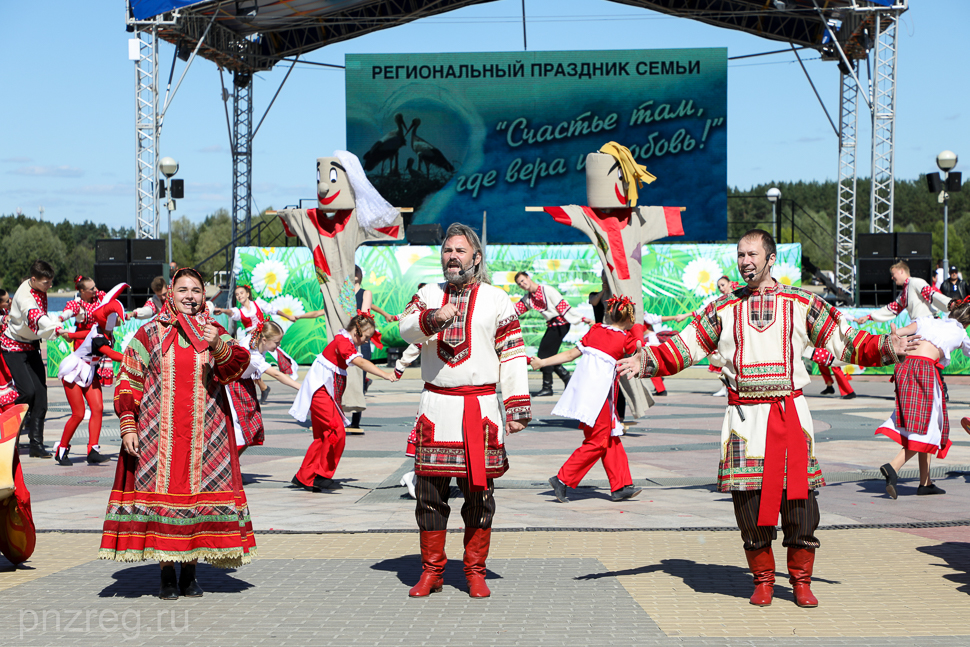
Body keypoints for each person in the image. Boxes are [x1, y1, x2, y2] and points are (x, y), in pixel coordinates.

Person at [618, 229, 917, 608]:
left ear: (771, 258)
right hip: (744, 419)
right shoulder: (722, 309)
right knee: (749, 503)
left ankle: (801, 581)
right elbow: (686, 345)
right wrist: (645, 360)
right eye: (740, 255)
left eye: (752, 254)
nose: (745, 261)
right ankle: (762, 580)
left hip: (790, 415)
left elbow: (845, 338)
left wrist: (887, 345)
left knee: (801, 504)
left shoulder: (802, 303)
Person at [100, 268, 256, 599]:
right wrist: (128, 423)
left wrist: (218, 345)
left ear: (204, 296)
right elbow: (129, 378)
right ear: (170, 293)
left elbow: (238, 366)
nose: (189, 295)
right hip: (159, 433)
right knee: (163, 501)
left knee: (197, 502)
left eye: (196, 290)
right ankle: (167, 573)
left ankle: (191, 572)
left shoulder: (215, 331)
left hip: (207, 433)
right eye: (183, 289)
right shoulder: (148, 334)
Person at [399, 223, 531, 599]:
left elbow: (514, 354)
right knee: (428, 492)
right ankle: (432, 572)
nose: (452, 257)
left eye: (460, 251)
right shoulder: (427, 294)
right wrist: (431, 319)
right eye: (447, 251)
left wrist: (517, 405)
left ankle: (474, 571)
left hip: (480, 408)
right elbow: (405, 328)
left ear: (476, 257)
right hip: (436, 405)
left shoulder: (497, 299)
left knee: (479, 496)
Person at [539, 295, 642, 504]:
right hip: (600, 398)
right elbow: (640, 347)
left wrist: (542, 362)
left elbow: (568, 355)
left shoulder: (595, 331)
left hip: (585, 397)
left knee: (610, 439)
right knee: (598, 442)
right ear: (629, 318)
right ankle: (562, 478)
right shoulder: (625, 338)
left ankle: (620, 485)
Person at [289, 312, 396, 492]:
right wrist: (385, 374)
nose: (367, 341)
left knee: (323, 436)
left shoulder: (344, 340)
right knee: (336, 431)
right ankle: (322, 475)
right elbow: (360, 362)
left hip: (323, 391)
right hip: (320, 391)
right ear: (357, 331)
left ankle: (305, 476)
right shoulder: (343, 342)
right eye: (367, 337)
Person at [875, 299, 970, 499]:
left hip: (904, 366)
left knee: (920, 424)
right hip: (924, 369)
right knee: (929, 428)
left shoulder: (929, 320)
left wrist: (893, 332)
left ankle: (925, 482)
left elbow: (899, 332)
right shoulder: (961, 333)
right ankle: (893, 466)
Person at [54, 284, 128, 466]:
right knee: (78, 413)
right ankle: (61, 449)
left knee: (98, 409)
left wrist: (71, 334)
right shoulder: (100, 337)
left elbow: (86, 332)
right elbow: (111, 354)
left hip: (89, 370)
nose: (118, 321)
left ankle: (93, 449)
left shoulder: (101, 330)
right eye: (115, 318)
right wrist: (131, 357)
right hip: (74, 370)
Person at [2, 260, 64, 458]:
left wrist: (55, 324)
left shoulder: (38, 286)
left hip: (31, 346)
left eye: (51, 281)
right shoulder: (24, 296)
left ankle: (36, 445)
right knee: (27, 392)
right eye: (46, 283)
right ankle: (10, 439)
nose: (50, 286)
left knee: (41, 396)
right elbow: (35, 315)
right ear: (34, 279)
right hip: (14, 347)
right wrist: (54, 328)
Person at [226, 320, 302, 456]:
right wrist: (301, 387)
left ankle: (233, 463)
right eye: (277, 342)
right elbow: (276, 374)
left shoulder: (257, 340)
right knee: (241, 431)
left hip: (244, 384)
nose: (279, 345)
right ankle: (230, 464)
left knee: (253, 427)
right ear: (265, 340)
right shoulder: (251, 353)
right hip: (233, 386)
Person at [513, 271, 591, 397]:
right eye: (519, 283)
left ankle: (548, 387)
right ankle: (566, 379)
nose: (522, 284)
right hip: (552, 325)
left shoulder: (546, 290)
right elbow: (516, 309)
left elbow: (562, 306)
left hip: (561, 324)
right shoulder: (529, 298)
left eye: (523, 280)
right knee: (548, 354)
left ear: (528, 277)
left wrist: (581, 318)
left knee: (544, 354)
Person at [215, 284, 296, 403]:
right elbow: (231, 312)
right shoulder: (240, 311)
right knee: (253, 365)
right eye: (237, 294)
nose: (239, 296)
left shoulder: (258, 304)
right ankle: (263, 388)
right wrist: (222, 310)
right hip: (252, 341)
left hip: (264, 339)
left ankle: (265, 387)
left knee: (270, 362)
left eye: (241, 293)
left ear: (248, 294)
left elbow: (273, 310)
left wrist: (288, 316)